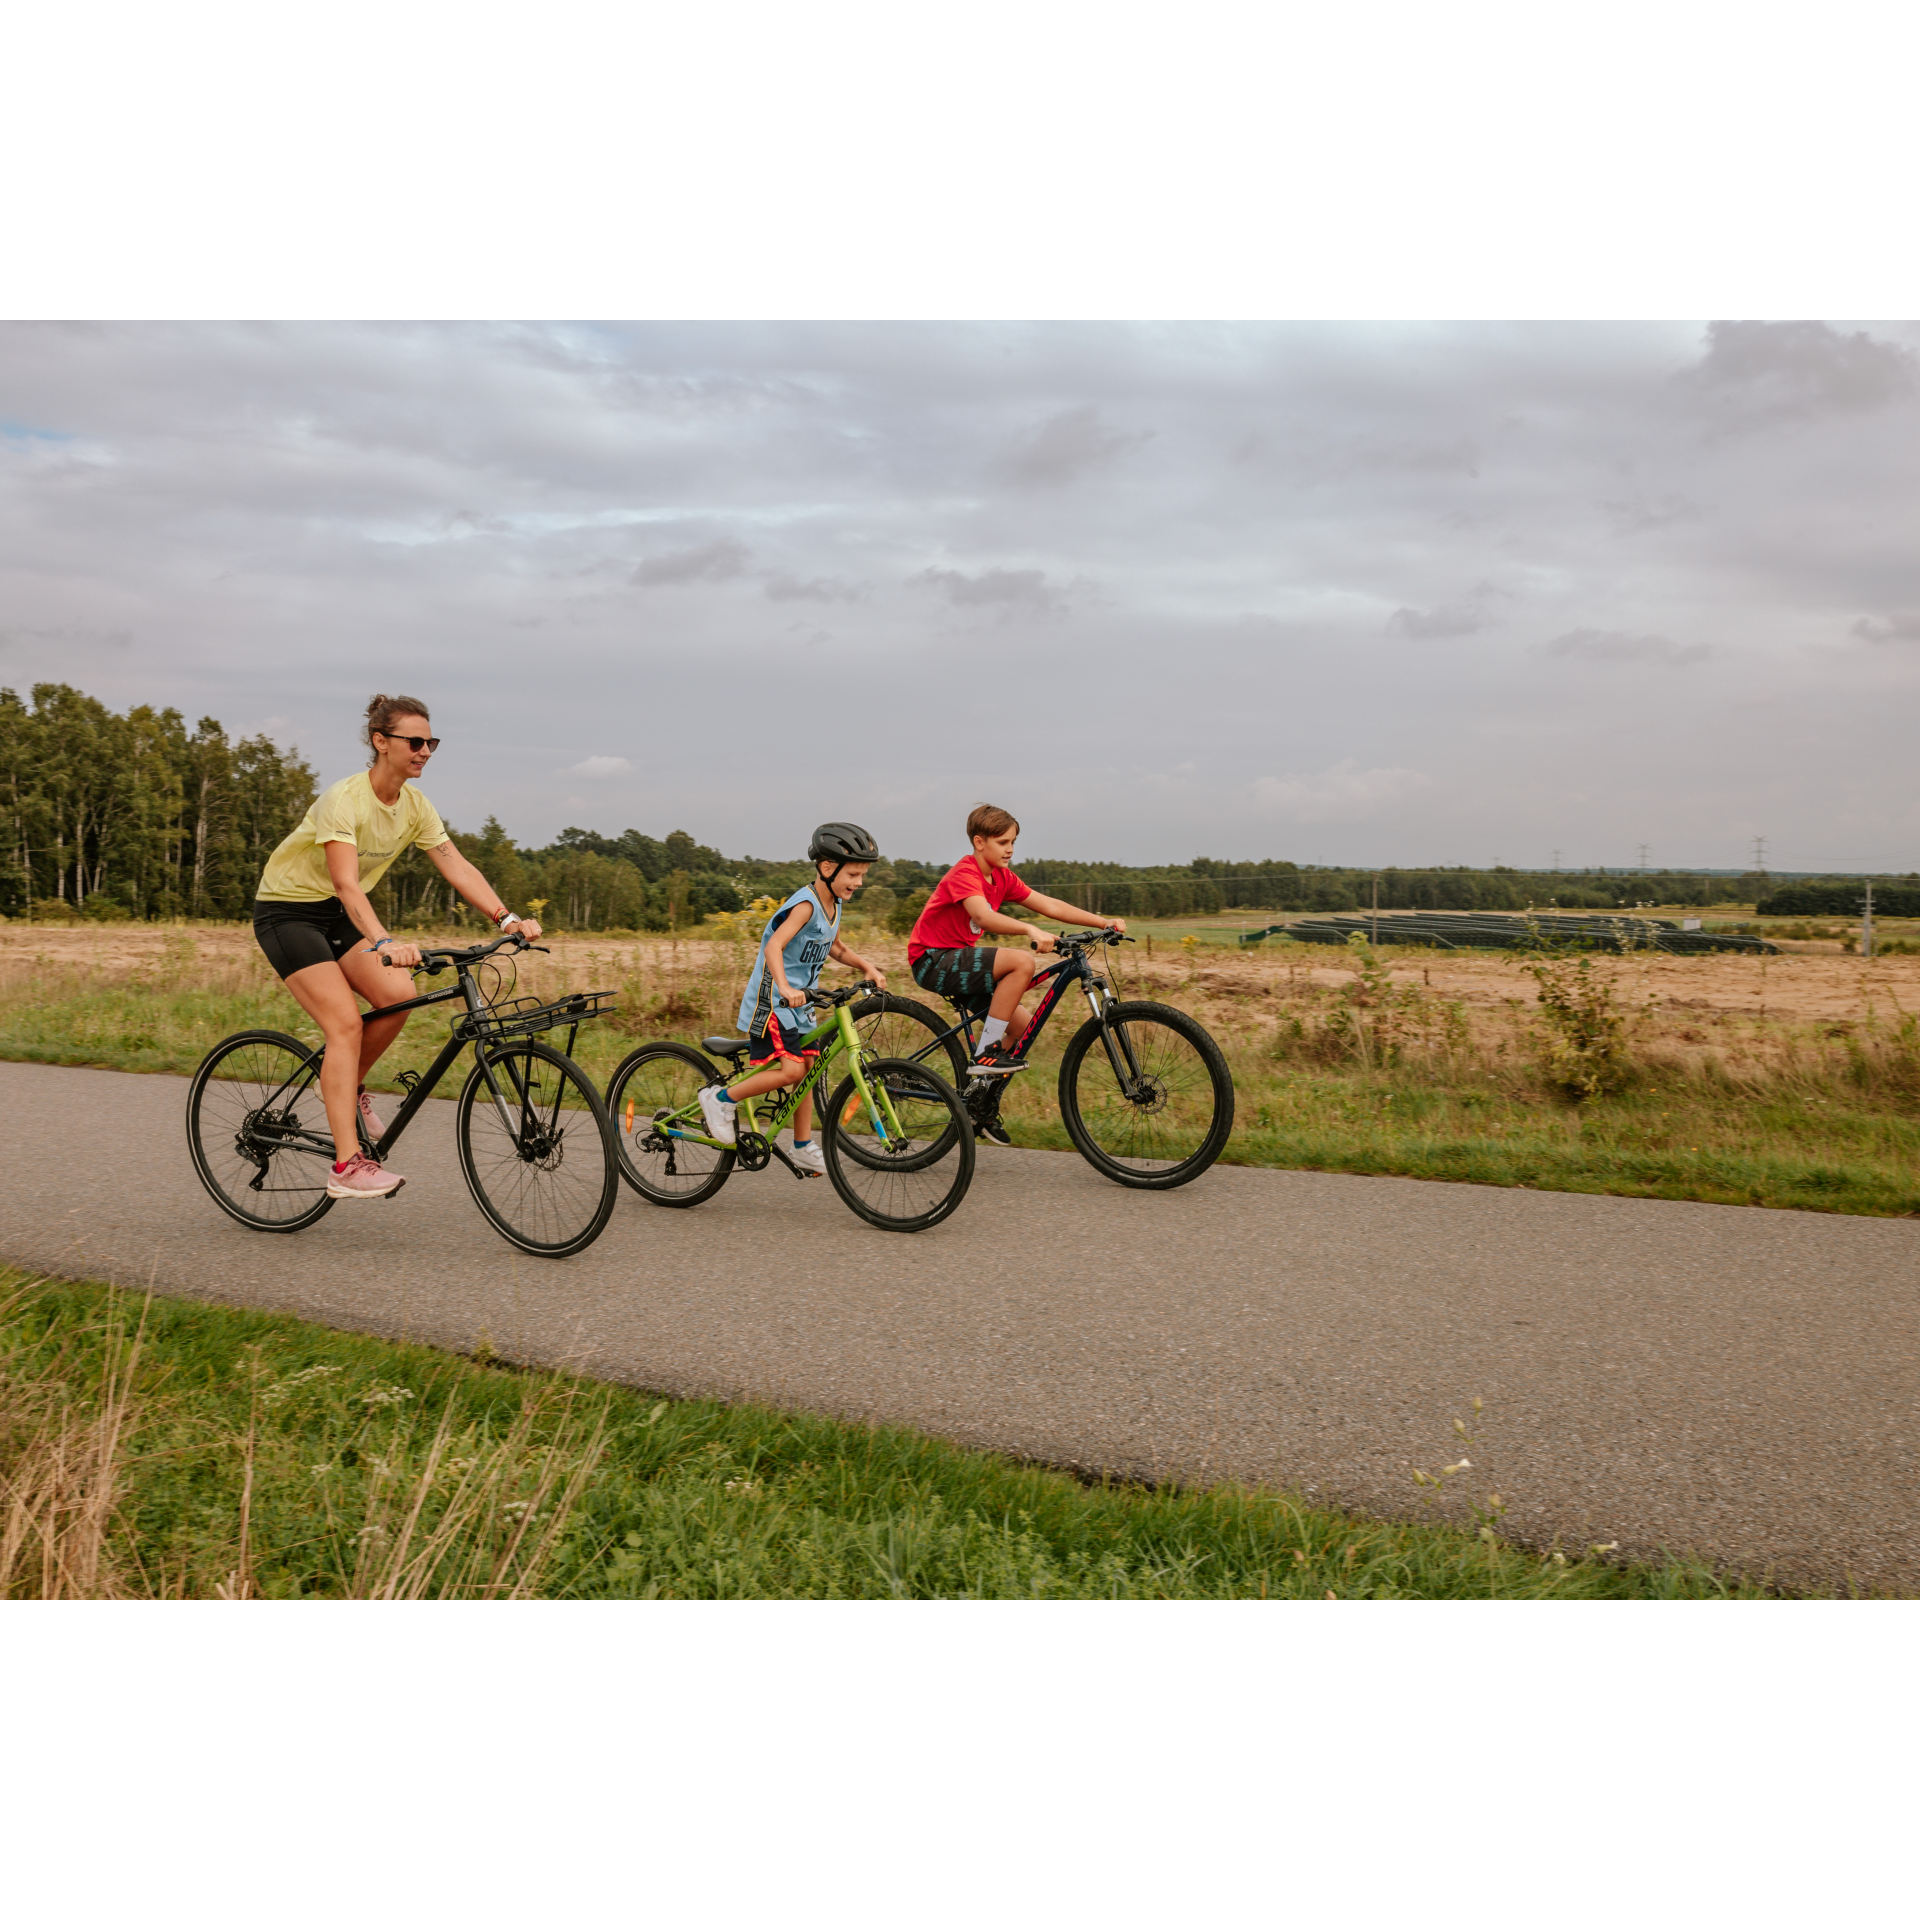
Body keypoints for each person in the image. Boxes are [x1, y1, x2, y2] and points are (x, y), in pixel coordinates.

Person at [251, 694, 542, 1199]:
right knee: (342, 1023)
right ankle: (346, 1165)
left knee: (398, 994)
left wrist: (506, 916)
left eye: (431, 741)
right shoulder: (346, 799)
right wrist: (383, 940)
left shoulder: (414, 806)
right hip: (288, 911)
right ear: (380, 742)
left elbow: (455, 864)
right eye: (414, 741)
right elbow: (346, 882)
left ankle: (344, 1085)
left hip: (335, 914)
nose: (425, 749)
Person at [905, 803, 1125, 1141]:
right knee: (1022, 962)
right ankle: (985, 1054)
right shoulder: (965, 873)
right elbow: (984, 916)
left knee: (1022, 1030)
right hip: (933, 960)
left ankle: (980, 1106)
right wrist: (1029, 931)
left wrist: (1102, 921)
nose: (1010, 849)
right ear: (979, 842)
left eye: (1013, 842)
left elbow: (1049, 904)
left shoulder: (1002, 878)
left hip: (961, 960)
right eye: (1002, 842)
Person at [697, 823, 887, 1175]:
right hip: (772, 1002)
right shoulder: (805, 905)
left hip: (801, 1005)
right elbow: (773, 945)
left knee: (809, 1073)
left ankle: (801, 1145)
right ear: (827, 868)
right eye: (854, 874)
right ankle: (720, 1098)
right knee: (792, 1069)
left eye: (862, 875)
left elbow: (835, 947)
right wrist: (783, 986)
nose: (859, 882)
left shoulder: (835, 904)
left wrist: (866, 966)